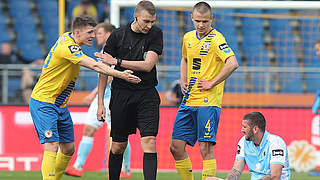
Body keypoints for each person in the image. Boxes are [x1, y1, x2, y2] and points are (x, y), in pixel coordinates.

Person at [29, 16, 140, 180]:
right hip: (44, 102)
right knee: (52, 145)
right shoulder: (67, 46)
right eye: (90, 32)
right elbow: (95, 65)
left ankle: (124, 168)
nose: (93, 36)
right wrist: (121, 74)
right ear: (77, 32)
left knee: (68, 149)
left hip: (60, 105)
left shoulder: (70, 41)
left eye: (95, 32)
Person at [169, 2, 239, 180]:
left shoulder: (216, 39)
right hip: (189, 99)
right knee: (176, 147)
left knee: (205, 148)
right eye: (198, 21)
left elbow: (232, 63)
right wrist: (183, 80)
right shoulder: (188, 38)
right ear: (191, 18)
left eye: (205, 21)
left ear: (211, 19)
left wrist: (213, 82)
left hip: (208, 101)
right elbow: (184, 59)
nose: (201, 25)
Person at [95, 1, 163, 179]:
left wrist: (117, 62)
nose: (149, 25)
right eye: (146, 21)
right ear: (136, 17)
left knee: (149, 141)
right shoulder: (117, 36)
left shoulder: (156, 33)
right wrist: (100, 103)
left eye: (152, 22)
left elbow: (148, 65)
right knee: (118, 145)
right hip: (121, 94)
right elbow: (103, 71)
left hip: (147, 93)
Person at [65, 23, 132, 178]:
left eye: (100, 33)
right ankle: (78, 166)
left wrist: (94, 92)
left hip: (114, 98)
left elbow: (109, 75)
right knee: (88, 129)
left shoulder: (115, 51)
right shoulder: (103, 51)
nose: (96, 36)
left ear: (109, 34)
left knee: (115, 136)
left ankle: (124, 168)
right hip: (100, 98)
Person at [205, 112, 291, 180]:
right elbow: (236, 171)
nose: (242, 130)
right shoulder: (243, 142)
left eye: (244, 127)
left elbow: (275, 176)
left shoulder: (276, 143)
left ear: (255, 129)